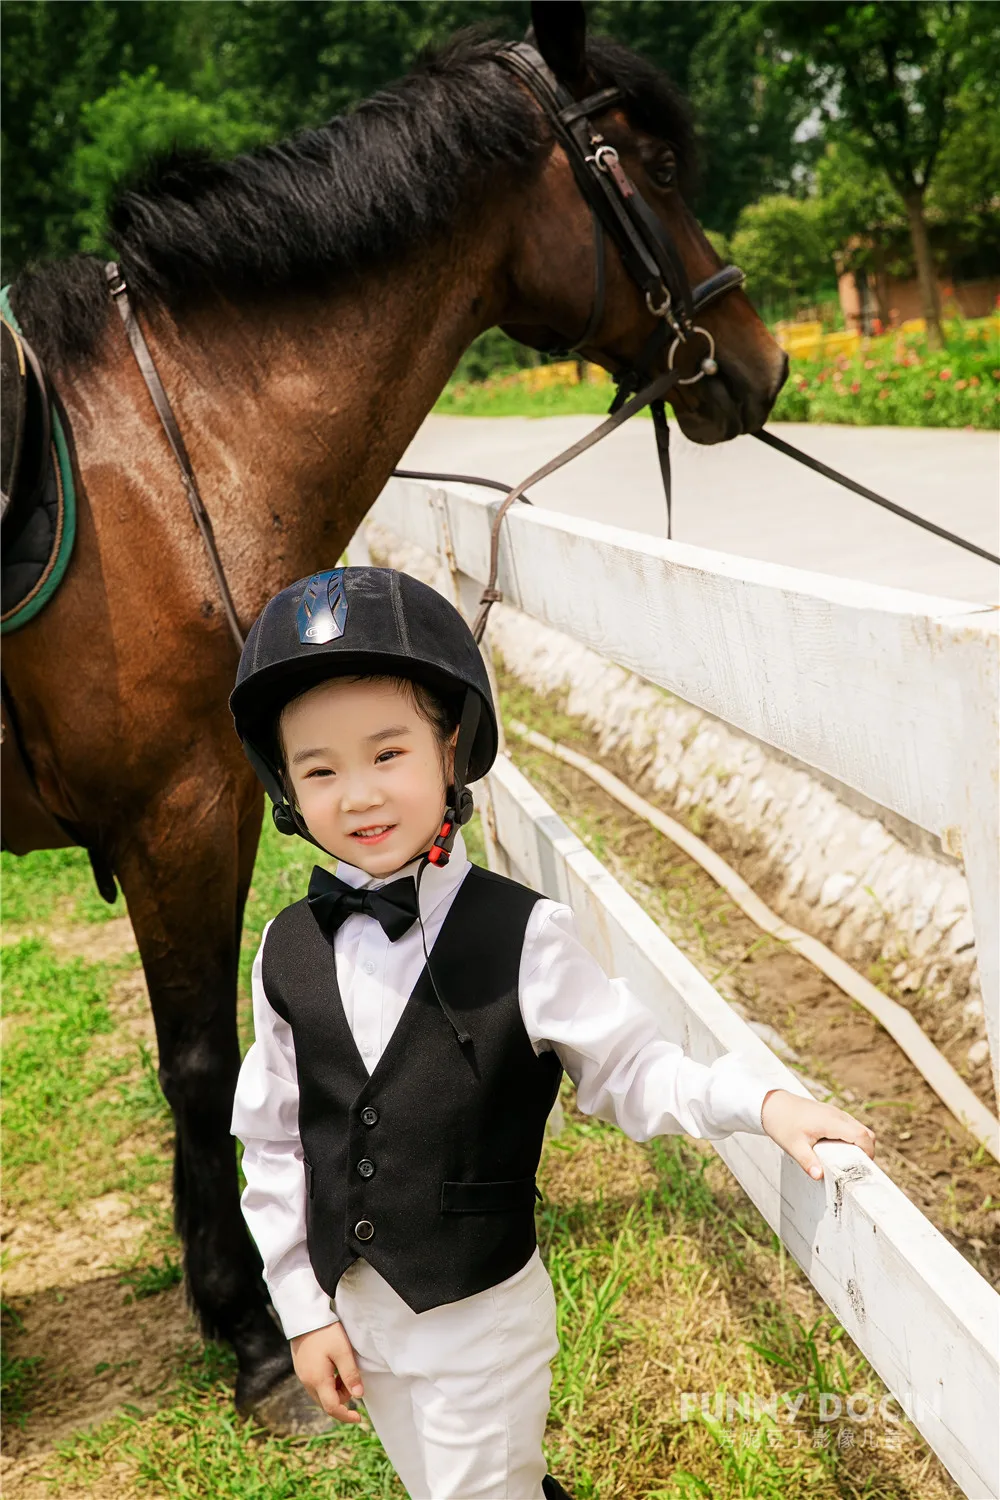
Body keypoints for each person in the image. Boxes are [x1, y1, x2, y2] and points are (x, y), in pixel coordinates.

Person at [229, 565, 876, 1500]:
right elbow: (275, 1140)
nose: (358, 795)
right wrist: (300, 1308)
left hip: (476, 1322)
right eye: (320, 770)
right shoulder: (286, 951)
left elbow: (635, 1066)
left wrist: (758, 1101)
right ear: (286, 786)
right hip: (357, 1310)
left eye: (388, 754)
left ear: (452, 751)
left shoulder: (522, 936)